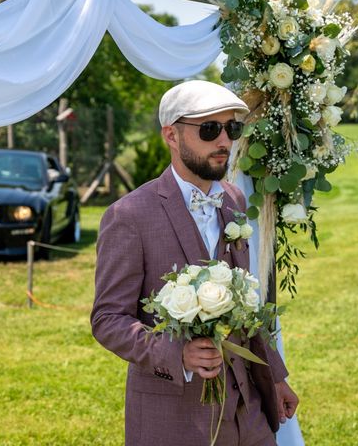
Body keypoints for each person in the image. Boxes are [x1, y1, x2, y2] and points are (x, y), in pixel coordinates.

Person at [91, 80, 298, 446]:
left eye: (232, 128)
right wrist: (178, 354)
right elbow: (108, 320)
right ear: (171, 135)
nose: (224, 142)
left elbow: (248, 307)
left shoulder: (233, 199)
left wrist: (276, 377)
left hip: (249, 415)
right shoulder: (129, 216)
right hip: (174, 419)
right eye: (209, 130)